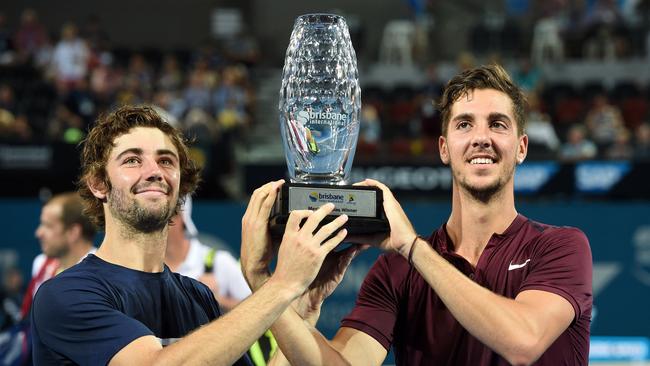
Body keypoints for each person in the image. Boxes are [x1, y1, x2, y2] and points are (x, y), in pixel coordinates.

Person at [241, 64, 593, 365]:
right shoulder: (396, 271)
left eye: (498, 124)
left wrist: (412, 247)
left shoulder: (561, 247)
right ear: (444, 148)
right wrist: (267, 286)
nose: (481, 138)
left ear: (521, 148)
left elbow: (524, 342)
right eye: (464, 124)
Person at [31, 105, 350, 365]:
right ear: (99, 184)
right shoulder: (65, 295)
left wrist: (299, 310)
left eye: (165, 160)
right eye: (132, 160)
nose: (154, 170)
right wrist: (282, 285)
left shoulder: (197, 296)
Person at [165, 195, 251, 311]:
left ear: (181, 218)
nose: (156, 225)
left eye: (164, 217)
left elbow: (255, 310)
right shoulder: (145, 267)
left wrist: (218, 300)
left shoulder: (220, 261)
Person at [22, 192, 97, 318]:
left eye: (48, 226)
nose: (38, 233)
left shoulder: (100, 271)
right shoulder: (41, 264)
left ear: (73, 232)